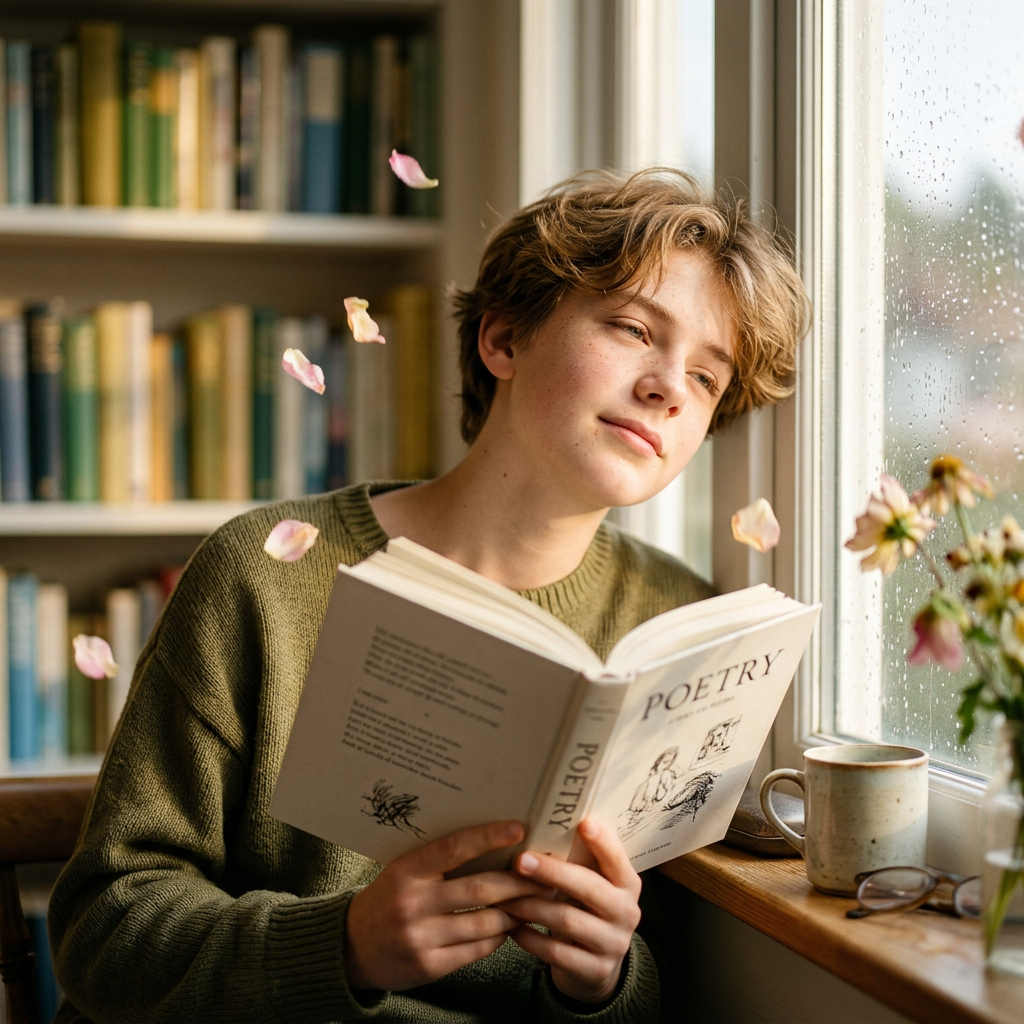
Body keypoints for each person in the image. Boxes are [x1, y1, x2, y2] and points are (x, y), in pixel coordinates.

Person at [49, 168, 809, 1023]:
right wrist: (344, 943)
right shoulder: (265, 572)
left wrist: (599, 984)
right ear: (503, 341)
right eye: (634, 328)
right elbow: (101, 932)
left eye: (708, 378)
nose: (670, 386)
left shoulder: (677, 626)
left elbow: (652, 975)